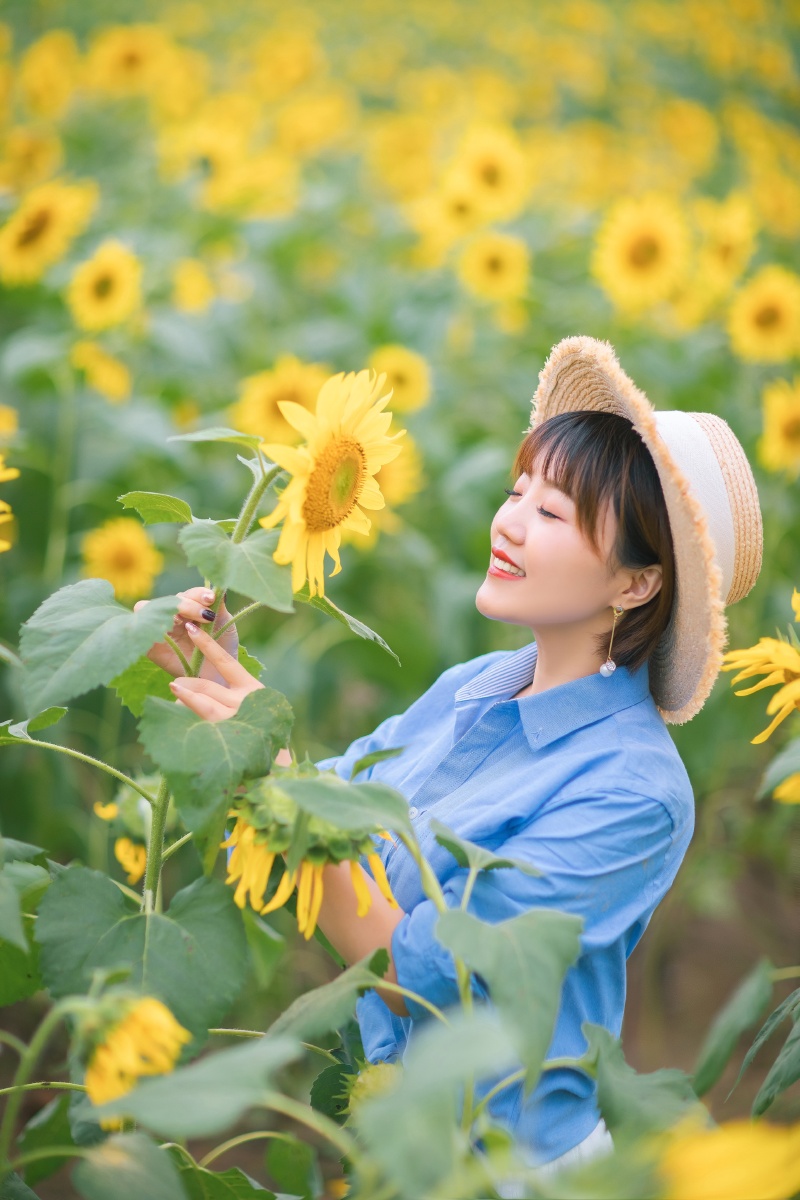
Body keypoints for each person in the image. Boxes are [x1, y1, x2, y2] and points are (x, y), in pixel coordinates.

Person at [140, 336, 763, 1175]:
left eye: (551, 514)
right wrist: (221, 676)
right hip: (400, 1143)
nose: (508, 522)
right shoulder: (475, 688)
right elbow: (328, 805)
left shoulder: (636, 791)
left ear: (636, 583)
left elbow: (420, 972)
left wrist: (269, 766)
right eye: (518, 491)